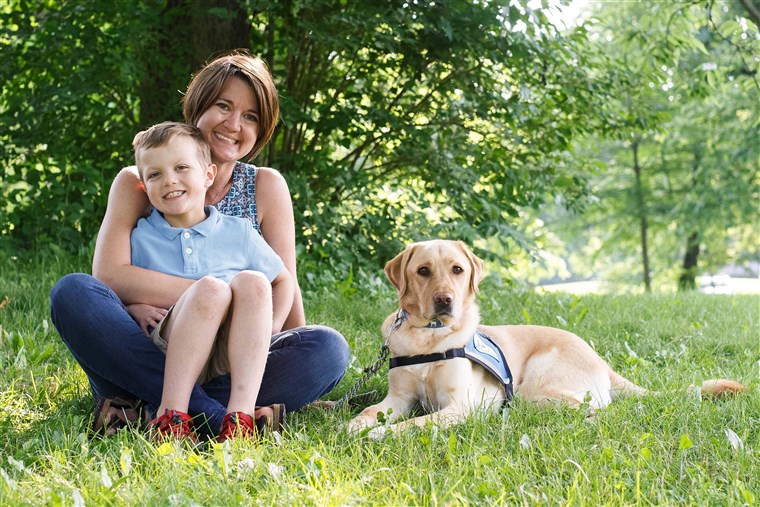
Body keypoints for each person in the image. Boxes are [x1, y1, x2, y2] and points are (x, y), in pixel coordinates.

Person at [49, 50, 350, 441]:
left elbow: (284, 283)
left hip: (231, 354)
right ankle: (212, 415)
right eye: (223, 105)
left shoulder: (265, 185)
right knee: (73, 292)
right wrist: (214, 297)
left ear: (262, 129)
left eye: (250, 116)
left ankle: (147, 409)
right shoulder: (140, 180)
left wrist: (264, 335)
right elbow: (109, 276)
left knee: (328, 349)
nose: (233, 124)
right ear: (198, 105)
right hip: (149, 343)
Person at [131, 121, 294, 441]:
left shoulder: (239, 232)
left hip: (231, 351)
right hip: (170, 345)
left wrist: (271, 327)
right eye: (155, 175)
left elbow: (283, 280)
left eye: (181, 167)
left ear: (208, 174)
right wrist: (135, 306)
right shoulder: (142, 236)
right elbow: (119, 289)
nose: (170, 180)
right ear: (144, 186)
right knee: (211, 288)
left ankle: (239, 419)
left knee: (253, 282)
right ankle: (171, 417)